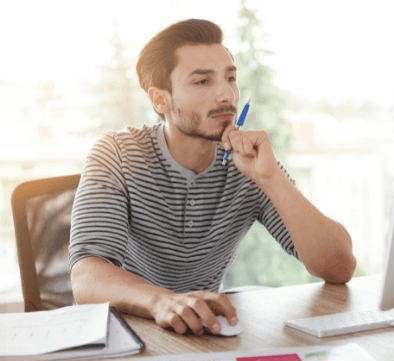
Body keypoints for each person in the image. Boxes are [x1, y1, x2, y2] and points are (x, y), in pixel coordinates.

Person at [69, 19, 356, 336]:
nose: (226, 95)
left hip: (203, 335)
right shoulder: (117, 154)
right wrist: (164, 302)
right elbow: (87, 275)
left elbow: (340, 266)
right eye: (203, 82)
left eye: (230, 78)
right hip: (130, 335)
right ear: (160, 99)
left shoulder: (251, 164)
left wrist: (271, 177)